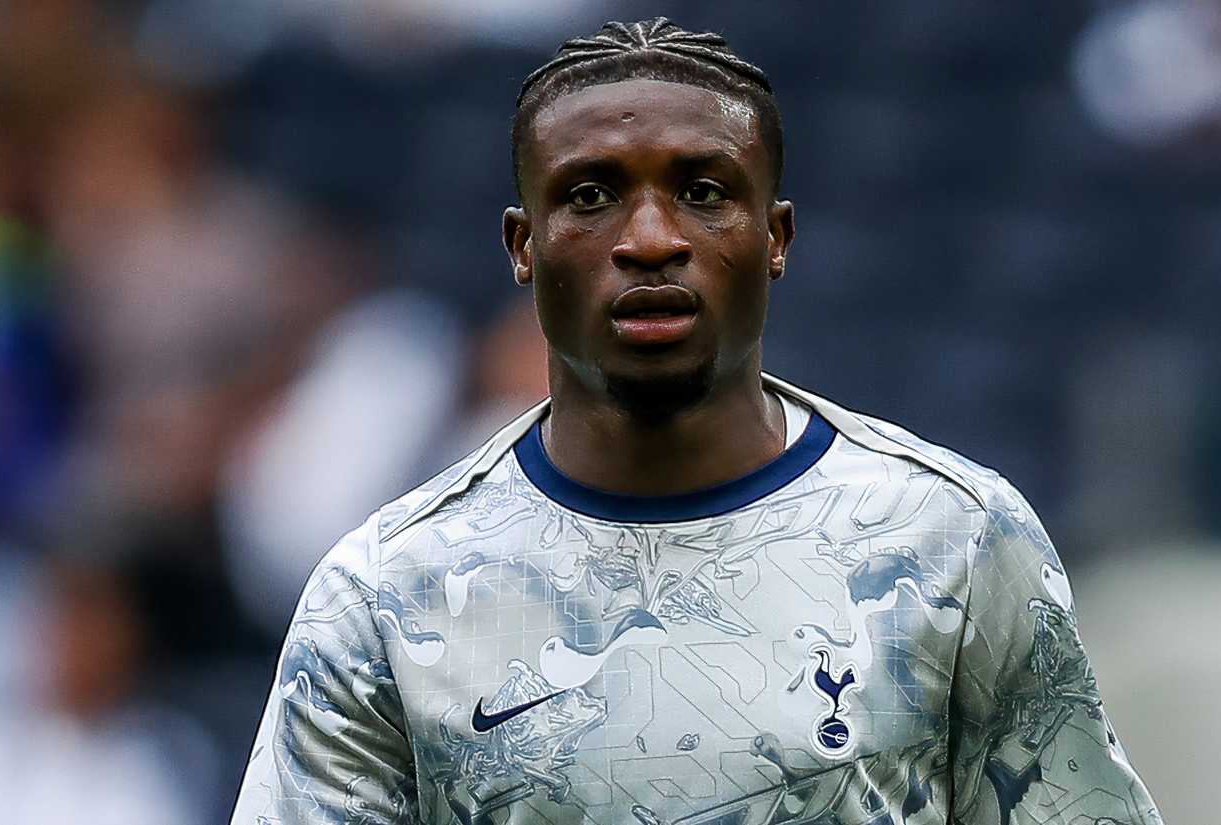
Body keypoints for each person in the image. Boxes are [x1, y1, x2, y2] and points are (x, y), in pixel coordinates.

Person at [232, 18, 1161, 825]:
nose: (649, 238)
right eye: (590, 195)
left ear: (776, 238)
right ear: (524, 245)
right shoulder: (387, 593)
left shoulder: (951, 538)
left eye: (705, 191)